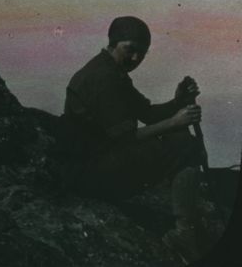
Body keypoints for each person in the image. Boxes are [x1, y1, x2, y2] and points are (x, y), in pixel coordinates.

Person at [63, 16, 216, 262]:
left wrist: (177, 102)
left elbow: (147, 114)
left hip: (93, 165)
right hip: (89, 174)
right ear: (114, 43)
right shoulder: (103, 78)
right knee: (184, 143)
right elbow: (126, 139)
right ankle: (184, 233)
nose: (135, 59)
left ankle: (184, 230)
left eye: (141, 53)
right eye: (130, 50)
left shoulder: (111, 71)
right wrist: (175, 122)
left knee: (179, 137)